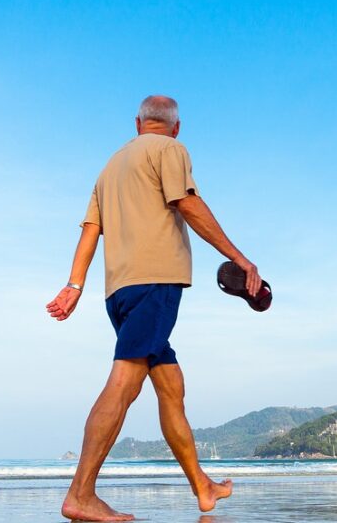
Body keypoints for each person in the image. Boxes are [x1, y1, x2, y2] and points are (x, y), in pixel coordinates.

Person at [46, 95, 263, 522]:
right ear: (176, 127)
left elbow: (91, 231)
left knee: (170, 386)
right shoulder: (170, 149)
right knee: (124, 383)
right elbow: (188, 203)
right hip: (155, 283)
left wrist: (74, 285)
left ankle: (202, 487)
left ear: (138, 123)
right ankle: (80, 494)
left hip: (118, 292)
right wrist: (240, 258)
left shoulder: (110, 168)